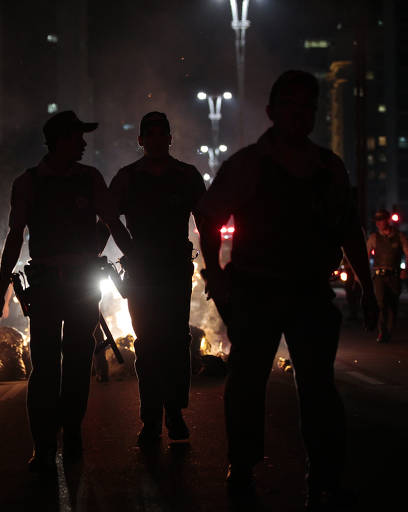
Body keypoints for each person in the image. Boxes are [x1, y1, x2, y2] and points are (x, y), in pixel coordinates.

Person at [196, 70, 378, 510]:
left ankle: (325, 478)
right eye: (291, 106)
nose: (300, 115)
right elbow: (209, 217)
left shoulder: (328, 168)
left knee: (319, 389)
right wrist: (218, 279)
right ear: (272, 112)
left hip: (311, 293)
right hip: (256, 291)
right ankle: (241, 468)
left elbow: (350, 231)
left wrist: (367, 290)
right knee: (247, 384)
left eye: (307, 107)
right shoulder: (248, 165)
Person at [0, 110, 134, 473]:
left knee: (79, 361)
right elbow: (14, 237)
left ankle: (71, 434)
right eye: (76, 137)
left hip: (81, 281)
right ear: (58, 140)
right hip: (49, 284)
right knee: (47, 365)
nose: (83, 143)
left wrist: (137, 261)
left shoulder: (90, 178)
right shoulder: (29, 183)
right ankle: (44, 442)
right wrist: (0, 287)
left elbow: (115, 223)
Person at [108, 111, 206, 447]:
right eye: (148, 134)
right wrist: (128, 249)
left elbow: (205, 222)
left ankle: (174, 413)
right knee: (149, 344)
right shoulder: (128, 178)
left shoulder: (186, 176)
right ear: (141, 140)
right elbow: (108, 215)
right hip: (142, 273)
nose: (154, 139)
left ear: (168, 137)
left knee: (176, 342)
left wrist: (213, 270)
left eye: (160, 133)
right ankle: (152, 419)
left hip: (175, 271)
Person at [367, 208, 408, 343]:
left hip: (394, 275)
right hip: (379, 275)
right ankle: (381, 332)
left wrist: (405, 270)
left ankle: (389, 332)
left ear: (387, 220)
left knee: (392, 305)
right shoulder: (374, 238)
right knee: (380, 303)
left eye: (381, 220)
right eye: (377, 221)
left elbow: (407, 253)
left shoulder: (398, 236)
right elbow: (365, 255)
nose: (379, 223)